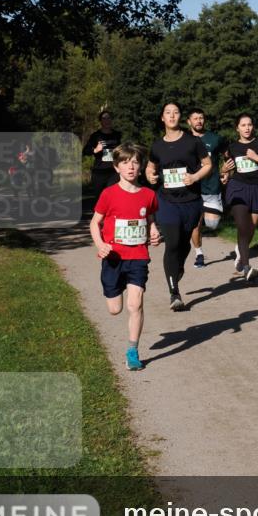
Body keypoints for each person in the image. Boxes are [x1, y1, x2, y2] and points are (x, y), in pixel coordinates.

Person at [90, 143, 160, 371]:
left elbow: (149, 219)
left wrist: (153, 231)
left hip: (138, 257)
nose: (130, 167)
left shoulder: (148, 195)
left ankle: (132, 350)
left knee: (135, 304)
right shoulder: (109, 194)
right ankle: (116, 287)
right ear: (116, 167)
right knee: (115, 309)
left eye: (135, 162)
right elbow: (95, 222)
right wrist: (100, 244)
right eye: (125, 162)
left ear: (140, 167)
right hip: (113, 258)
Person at [146, 100, 212, 310]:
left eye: (175, 112)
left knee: (183, 245)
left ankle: (178, 266)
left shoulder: (192, 142)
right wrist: (150, 176)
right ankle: (174, 293)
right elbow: (150, 167)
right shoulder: (157, 145)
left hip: (191, 201)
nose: (172, 116)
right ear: (162, 118)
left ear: (179, 117)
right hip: (166, 201)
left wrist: (194, 177)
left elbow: (208, 165)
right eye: (168, 112)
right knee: (172, 243)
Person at [224, 113, 258, 282]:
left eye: (249, 124)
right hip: (238, 188)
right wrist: (224, 171)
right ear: (237, 128)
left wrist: (256, 157)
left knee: (250, 228)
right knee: (242, 225)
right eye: (243, 125)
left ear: (253, 126)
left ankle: (241, 253)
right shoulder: (232, 148)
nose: (247, 128)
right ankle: (247, 267)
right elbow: (227, 169)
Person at [186, 108, 234, 269]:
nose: (198, 121)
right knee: (195, 223)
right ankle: (199, 253)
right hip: (191, 187)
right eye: (195, 118)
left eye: (201, 118)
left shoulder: (215, 139)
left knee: (212, 225)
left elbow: (228, 156)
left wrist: (227, 172)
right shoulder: (183, 139)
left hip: (212, 185)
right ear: (189, 121)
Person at [82, 110, 122, 197]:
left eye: (109, 118)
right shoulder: (95, 136)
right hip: (99, 171)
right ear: (100, 121)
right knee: (100, 198)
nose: (107, 120)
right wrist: (95, 150)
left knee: (113, 196)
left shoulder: (118, 135)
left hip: (114, 171)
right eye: (104, 118)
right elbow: (85, 151)